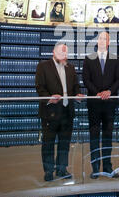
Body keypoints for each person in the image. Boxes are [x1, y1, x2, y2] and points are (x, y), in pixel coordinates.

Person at [35, 42, 83, 181]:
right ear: (53, 52)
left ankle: (62, 169)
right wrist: (49, 98)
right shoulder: (43, 66)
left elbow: (75, 87)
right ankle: (49, 171)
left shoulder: (71, 68)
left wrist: (78, 95)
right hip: (50, 112)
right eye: (62, 53)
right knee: (48, 143)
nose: (64, 56)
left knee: (64, 143)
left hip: (67, 112)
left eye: (66, 54)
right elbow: (40, 87)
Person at [82, 31, 119, 178]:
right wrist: (98, 93)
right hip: (94, 103)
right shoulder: (89, 58)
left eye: (105, 38)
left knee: (107, 136)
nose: (102, 40)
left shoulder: (115, 59)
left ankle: (107, 167)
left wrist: (109, 92)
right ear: (96, 41)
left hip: (110, 104)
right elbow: (86, 80)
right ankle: (95, 168)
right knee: (93, 136)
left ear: (108, 42)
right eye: (99, 38)